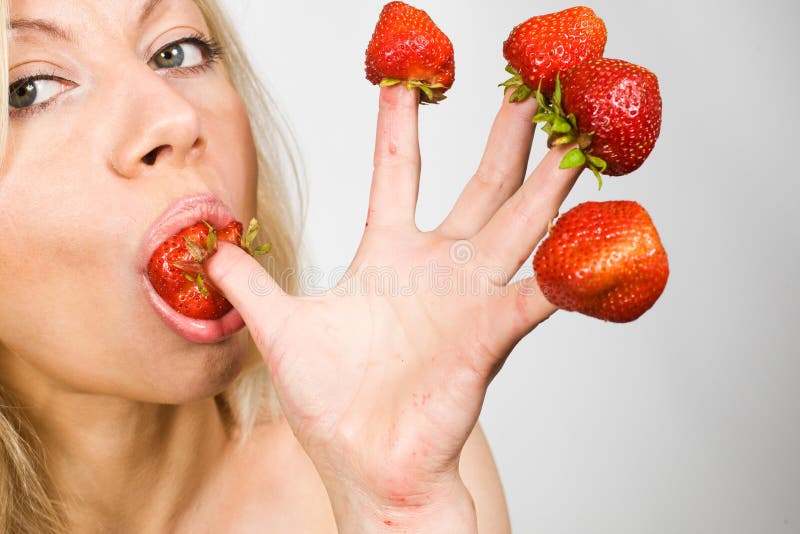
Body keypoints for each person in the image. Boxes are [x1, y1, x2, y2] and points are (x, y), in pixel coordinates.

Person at [0, 0, 582, 532]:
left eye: (177, 51)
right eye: (27, 88)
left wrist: (401, 515)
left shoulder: (384, 445)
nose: (175, 117)